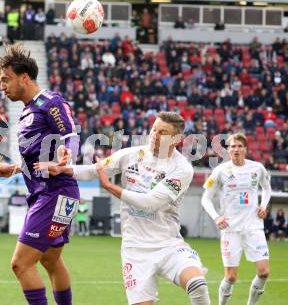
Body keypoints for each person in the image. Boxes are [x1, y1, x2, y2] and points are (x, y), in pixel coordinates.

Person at [36, 112, 210, 305]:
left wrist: (111, 187)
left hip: (168, 244)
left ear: (177, 139)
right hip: (134, 249)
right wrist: (64, 169)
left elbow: (150, 201)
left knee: (197, 284)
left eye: (163, 132)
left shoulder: (182, 169)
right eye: (154, 129)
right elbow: (96, 169)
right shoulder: (131, 155)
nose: (154, 135)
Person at [0, 43, 80, 305]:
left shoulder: (50, 102)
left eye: (6, 80)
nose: (2, 86)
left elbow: (71, 136)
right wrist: (15, 168)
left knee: (20, 264)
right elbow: (40, 158)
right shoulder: (29, 111)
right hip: (53, 192)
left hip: (55, 192)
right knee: (51, 260)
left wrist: (66, 156)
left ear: (24, 77)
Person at [201, 133, 272, 305]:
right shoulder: (220, 171)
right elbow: (205, 198)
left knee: (264, 272)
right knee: (231, 277)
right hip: (230, 229)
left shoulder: (257, 168)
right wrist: (216, 217)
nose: (236, 149)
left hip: (254, 227)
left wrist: (263, 206)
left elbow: (267, 189)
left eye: (240, 146)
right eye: (232, 146)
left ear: (246, 149)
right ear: (227, 150)